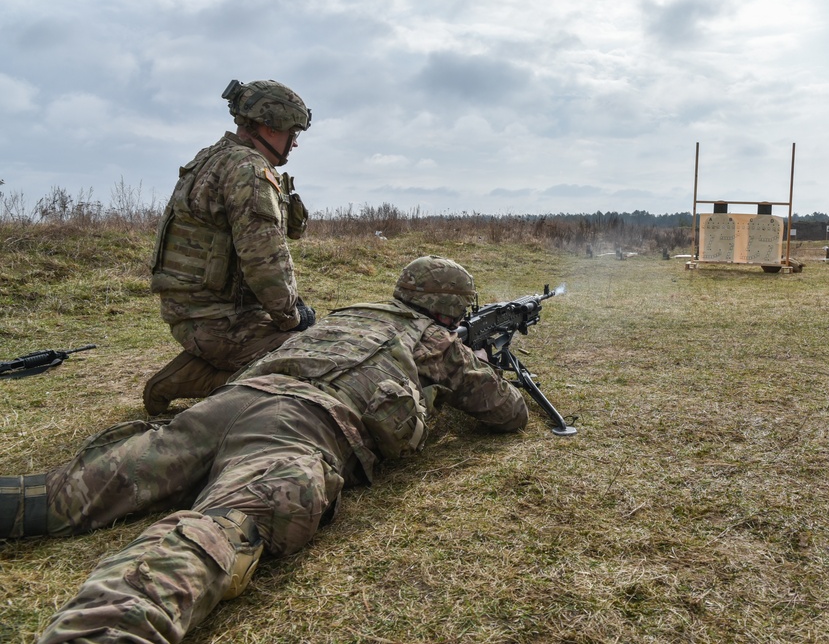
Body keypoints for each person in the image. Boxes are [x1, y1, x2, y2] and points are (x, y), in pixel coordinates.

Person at [1, 255, 528, 643]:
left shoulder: (348, 314)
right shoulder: (436, 342)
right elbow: (508, 413)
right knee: (213, 534)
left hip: (226, 405)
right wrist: (474, 358)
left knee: (67, 491)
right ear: (450, 310)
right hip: (301, 428)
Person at [143, 78, 317, 416]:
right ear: (269, 128)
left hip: (199, 316)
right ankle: (194, 380)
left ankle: (200, 365)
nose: (294, 144)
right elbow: (263, 258)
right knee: (316, 362)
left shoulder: (212, 157)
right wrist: (291, 318)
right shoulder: (248, 169)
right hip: (220, 322)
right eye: (292, 134)